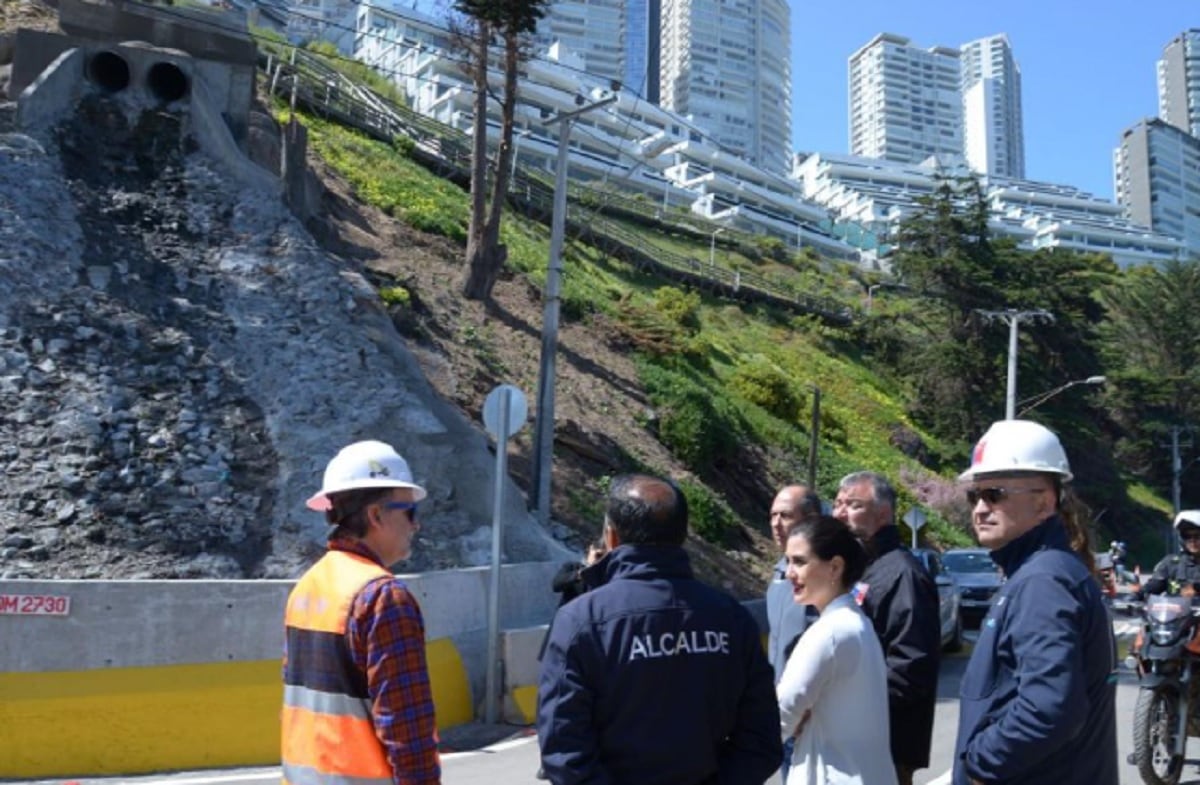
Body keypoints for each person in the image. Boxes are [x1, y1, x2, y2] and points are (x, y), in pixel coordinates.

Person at [536, 474, 781, 785]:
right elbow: (762, 740)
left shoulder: (581, 621)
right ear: (682, 536)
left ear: (611, 538)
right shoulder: (730, 617)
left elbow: (563, 749)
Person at [952, 419, 1117, 785]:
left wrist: (980, 764)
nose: (979, 508)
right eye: (974, 496)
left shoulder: (1043, 581)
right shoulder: (1044, 572)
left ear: (1044, 501)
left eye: (994, 494)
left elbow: (1050, 708)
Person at [282, 440, 440, 785]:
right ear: (376, 515)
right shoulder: (383, 598)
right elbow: (406, 728)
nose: (416, 525)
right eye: (410, 512)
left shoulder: (307, 587)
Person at [832, 471, 940, 785]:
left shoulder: (903, 574)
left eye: (852, 505)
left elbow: (910, 668)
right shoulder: (864, 569)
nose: (840, 513)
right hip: (856, 741)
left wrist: (850, 704)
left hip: (885, 746)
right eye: (838, 503)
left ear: (882, 514)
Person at [776, 515, 897, 785]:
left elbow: (781, 715)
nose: (788, 573)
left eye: (799, 561)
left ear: (835, 568)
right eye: (788, 561)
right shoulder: (855, 623)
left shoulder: (829, 633)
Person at [766, 485, 823, 782]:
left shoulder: (822, 574)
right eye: (772, 515)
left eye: (786, 515)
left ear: (810, 518)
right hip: (784, 715)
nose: (776, 523)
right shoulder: (778, 573)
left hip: (812, 720)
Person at [1140, 510, 1200, 597]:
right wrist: (1136, 596)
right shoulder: (1171, 563)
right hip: (1174, 609)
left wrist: (1196, 590)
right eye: (1187, 536)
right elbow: (1154, 586)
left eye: (1197, 536)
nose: (1192, 540)